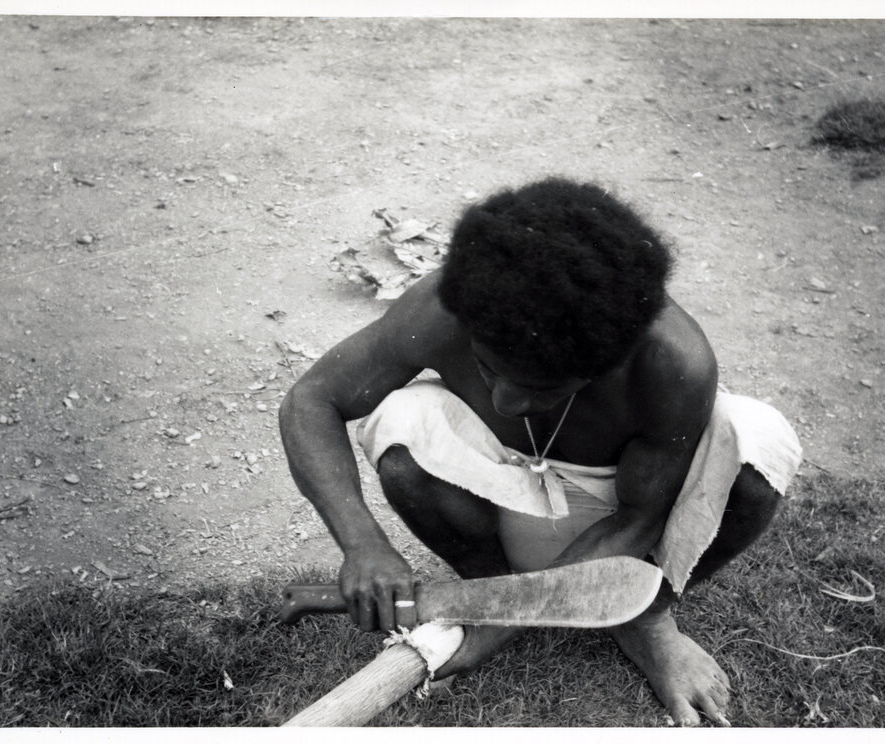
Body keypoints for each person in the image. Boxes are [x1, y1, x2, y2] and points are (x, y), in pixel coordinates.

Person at [279, 177, 802, 727]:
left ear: (606, 363)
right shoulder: (447, 307)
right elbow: (310, 400)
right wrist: (364, 545)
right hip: (502, 495)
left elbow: (640, 518)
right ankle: (486, 582)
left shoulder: (671, 361)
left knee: (757, 440)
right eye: (487, 368)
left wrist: (493, 633)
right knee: (402, 424)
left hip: (617, 532)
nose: (505, 402)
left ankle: (646, 621)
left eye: (541, 388)